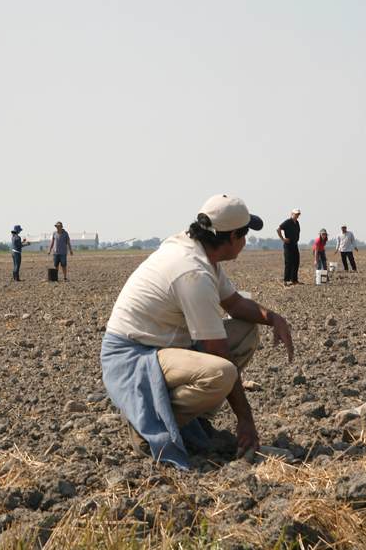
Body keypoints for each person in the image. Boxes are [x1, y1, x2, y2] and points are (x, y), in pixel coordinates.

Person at [100, 194, 295, 468]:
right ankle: (149, 427)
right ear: (231, 238)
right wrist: (246, 419)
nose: (246, 242)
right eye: (245, 234)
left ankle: (189, 421)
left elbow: (235, 304)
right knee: (220, 373)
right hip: (133, 355)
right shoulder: (193, 272)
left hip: (162, 346)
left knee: (246, 330)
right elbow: (219, 353)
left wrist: (273, 318)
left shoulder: (201, 253)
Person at [277, 209, 301, 285]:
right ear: (292, 214)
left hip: (295, 245)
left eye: (298, 214)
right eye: (295, 214)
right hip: (288, 245)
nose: (297, 215)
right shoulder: (288, 222)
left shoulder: (297, 223)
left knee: (296, 262)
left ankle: (294, 280)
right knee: (289, 262)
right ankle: (286, 280)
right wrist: (283, 239)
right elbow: (278, 229)